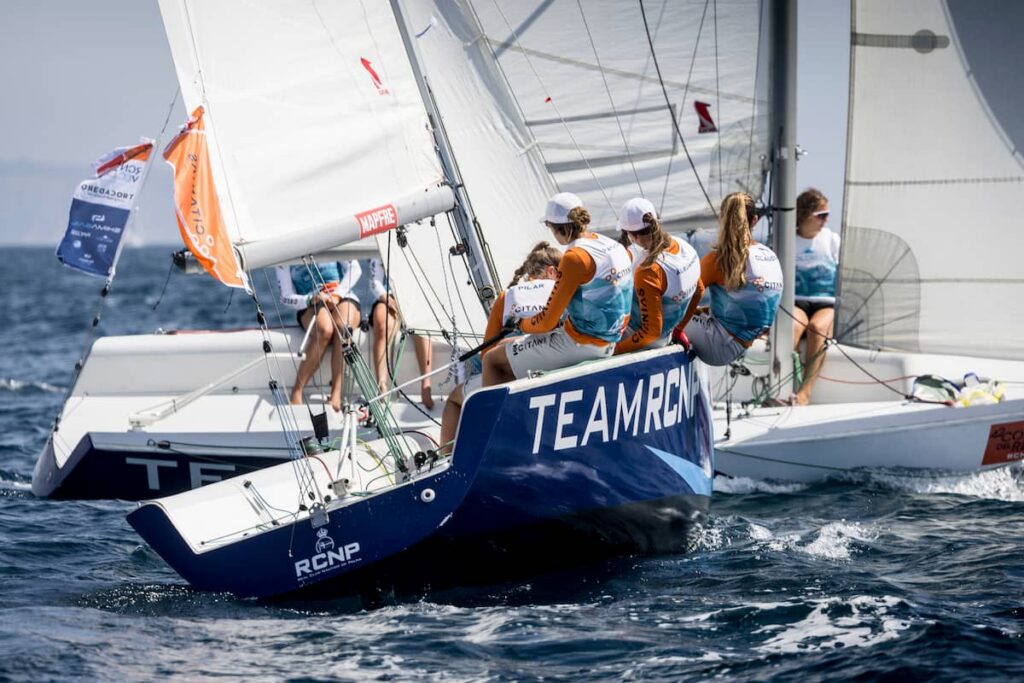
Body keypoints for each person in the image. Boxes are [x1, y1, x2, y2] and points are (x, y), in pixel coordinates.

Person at [482, 192, 633, 386]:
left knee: (492, 360)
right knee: (509, 348)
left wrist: (521, 323)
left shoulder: (574, 257)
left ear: (555, 227)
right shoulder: (614, 245)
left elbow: (545, 323)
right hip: (611, 342)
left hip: (581, 344)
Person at [439, 242, 562, 454]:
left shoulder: (507, 296)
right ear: (553, 271)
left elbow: (488, 351)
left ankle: (445, 459)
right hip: (553, 365)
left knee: (454, 400)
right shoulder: (561, 292)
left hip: (511, 372)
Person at [683, 192, 783, 366]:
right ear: (754, 221)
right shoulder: (770, 256)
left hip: (717, 346)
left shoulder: (718, 259)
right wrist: (703, 310)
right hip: (740, 344)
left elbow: (681, 296)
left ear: (722, 219)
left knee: (666, 310)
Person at [614, 197, 703, 354]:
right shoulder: (684, 247)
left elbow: (651, 331)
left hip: (640, 339)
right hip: (665, 336)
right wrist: (679, 329)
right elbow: (699, 290)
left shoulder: (648, 271)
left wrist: (615, 351)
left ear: (633, 236)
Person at [276, 260, 361, 411]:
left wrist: (337, 295)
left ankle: (336, 394)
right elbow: (285, 296)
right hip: (310, 302)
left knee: (343, 327)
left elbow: (355, 269)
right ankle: (297, 391)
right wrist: (310, 299)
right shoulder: (285, 251)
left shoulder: (331, 237)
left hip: (342, 295)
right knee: (324, 329)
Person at [789, 188, 840, 405]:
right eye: (821, 215)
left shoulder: (832, 240)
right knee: (792, 327)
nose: (826, 220)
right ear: (804, 215)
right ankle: (782, 388)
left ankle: (805, 392)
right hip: (796, 301)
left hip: (826, 303)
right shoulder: (787, 239)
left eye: (827, 215)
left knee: (817, 329)